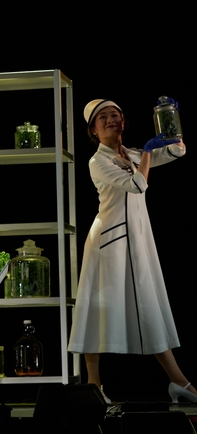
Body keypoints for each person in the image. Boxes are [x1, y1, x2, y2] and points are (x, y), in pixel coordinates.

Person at [67, 98, 194, 404]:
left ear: (124, 122)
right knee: (96, 310)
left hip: (136, 241)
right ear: (94, 130)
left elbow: (178, 150)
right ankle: (94, 386)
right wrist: (148, 152)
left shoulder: (133, 154)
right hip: (108, 244)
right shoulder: (98, 162)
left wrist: (170, 124)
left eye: (115, 115)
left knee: (148, 306)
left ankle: (178, 381)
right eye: (103, 118)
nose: (111, 120)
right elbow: (137, 185)